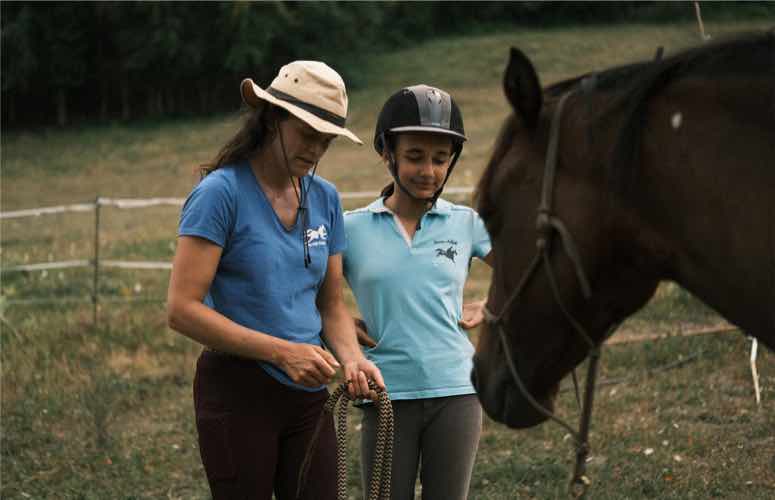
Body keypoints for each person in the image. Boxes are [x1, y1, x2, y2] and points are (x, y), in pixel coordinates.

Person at [166, 60, 385, 500]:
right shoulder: (220, 194)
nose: (316, 150)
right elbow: (181, 310)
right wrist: (284, 353)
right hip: (237, 391)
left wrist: (352, 359)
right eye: (308, 135)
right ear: (272, 118)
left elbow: (331, 305)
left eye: (327, 141)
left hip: (308, 395)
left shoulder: (325, 198)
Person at [343, 85, 493, 500]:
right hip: (385, 394)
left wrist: (495, 305)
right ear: (386, 153)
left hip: (458, 392)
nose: (428, 170)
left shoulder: (466, 224)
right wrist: (336, 327)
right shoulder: (350, 228)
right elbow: (314, 294)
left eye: (440, 159)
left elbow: (530, 268)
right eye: (414, 157)